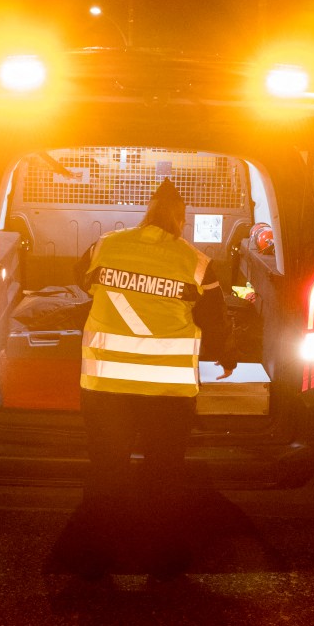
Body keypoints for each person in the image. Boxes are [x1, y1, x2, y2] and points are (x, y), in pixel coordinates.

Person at [70, 177, 237, 582]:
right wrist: (226, 355)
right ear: (181, 219)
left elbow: (80, 278)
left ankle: (94, 558)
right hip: (166, 393)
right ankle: (161, 559)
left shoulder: (105, 246)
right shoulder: (195, 262)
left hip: (106, 387)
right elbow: (214, 319)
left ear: (146, 213)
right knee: (163, 474)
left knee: (107, 471)